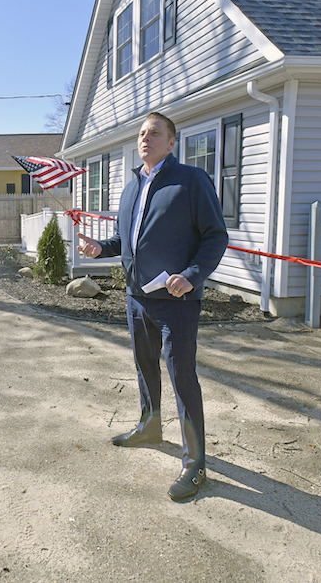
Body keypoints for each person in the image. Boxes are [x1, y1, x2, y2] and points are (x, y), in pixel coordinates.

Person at [78, 112, 228, 501]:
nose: (146, 138)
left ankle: (195, 463)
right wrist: (100, 249)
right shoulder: (132, 187)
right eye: (142, 133)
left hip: (176, 301)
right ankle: (150, 425)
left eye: (155, 133)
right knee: (145, 366)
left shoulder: (191, 181)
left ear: (172, 142)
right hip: (136, 297)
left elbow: (215, 236)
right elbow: (123, 239)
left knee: (182, 378)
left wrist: (193, 274)